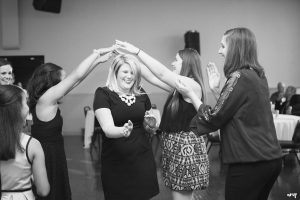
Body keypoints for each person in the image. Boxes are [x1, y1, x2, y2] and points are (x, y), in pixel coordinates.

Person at [175, 27, 282, 200]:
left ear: (235, 48)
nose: (219, 51)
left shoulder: (239, 77)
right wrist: (216, 90)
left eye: (222, 46)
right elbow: (232, 112)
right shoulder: (258, 75)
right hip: (270, 161)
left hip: (250, 163)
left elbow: (213, 118)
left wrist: (192, 95)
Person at [116, 40, 209, 200]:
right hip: (175, 146)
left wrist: (137, 51)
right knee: (183, 194)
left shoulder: (191, 84)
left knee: (181, 195)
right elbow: (152, 77)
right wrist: (130, 61)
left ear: (187, 63)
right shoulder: (180, 87)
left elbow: (162, 74)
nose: (173, 63)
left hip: (185, 149)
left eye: (176, 60)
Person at [26, 47, 114, 200]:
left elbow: (78, 80)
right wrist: (95, 54)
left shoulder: (47, 98)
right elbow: (76, 76)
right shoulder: (47, 98)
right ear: (52, 80)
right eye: (63, 79)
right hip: (47, 155)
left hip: (53, 152)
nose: (66, 82)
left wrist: (97, 62)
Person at [93, 54, 159, 200]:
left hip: (143, 157)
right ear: (115, 72)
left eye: (133, 73)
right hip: (116, 161)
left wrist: (152, 123)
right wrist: (122, 131)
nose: (129, 76)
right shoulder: (103, 93)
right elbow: (108, 129)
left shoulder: (141, 93)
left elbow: (149, 119)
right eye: (125, 72)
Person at [0, 85, 50, 200]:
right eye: (25, 103)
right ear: (18, 109)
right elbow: (43, 190)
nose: (28, 107)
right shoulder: (32, 144)